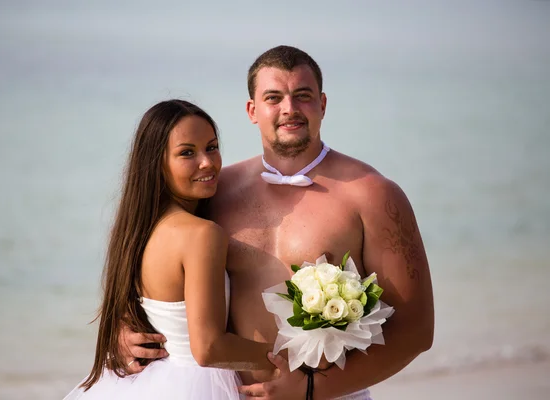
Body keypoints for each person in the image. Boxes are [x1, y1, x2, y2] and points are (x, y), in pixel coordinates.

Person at [120, 45, 435, 400]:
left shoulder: (373, 195)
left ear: (323, 105)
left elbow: (416, 331)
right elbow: (153, 257)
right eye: (274, 97)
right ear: (253, 110)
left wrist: (311, 388)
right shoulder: (215, 192)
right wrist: (125, 327)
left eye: (303, 96)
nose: (289, 109)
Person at [63, 99, 278, 400]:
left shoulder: (137, 230)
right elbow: (209, 348)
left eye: (212, 147)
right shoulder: (201, 235)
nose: (207, 162)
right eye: (187, 153)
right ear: (157, 163)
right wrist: (287, 358)